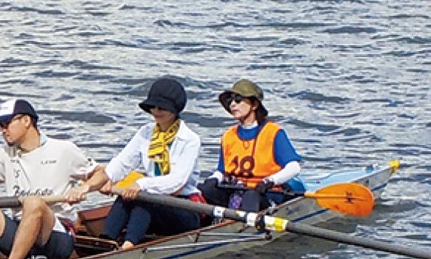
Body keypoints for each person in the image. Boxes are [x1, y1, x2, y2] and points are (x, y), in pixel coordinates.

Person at [67, 77, 202, 250]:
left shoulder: (190, 140)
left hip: (184, 209)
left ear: (175, 109)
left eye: (161, 107)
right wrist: (91, 185)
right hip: (154, 203)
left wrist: (141, 184)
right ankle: (106, 241)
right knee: (127, 197)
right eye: (152, 106)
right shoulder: (145, 133)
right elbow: (120, 164)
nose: (155, 111)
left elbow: (176, 182)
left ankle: (128, 247)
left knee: (143, 197)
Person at [0, 98, 95, 259]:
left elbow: (100, 174)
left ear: (26, 121)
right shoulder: (3, 154)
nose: (3, 131)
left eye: (7, 124)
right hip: (19, 230)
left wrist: (84, 188)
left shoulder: (63, 149)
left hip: (55, 235)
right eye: (0, 126)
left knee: (33, 203)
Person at [198, 79, 304, 212]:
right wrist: (213, 179)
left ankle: (243, 224)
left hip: (265, 193)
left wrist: (270, 181)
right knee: (202, 190)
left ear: (254, 105)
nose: (232, 104)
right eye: (230, 100)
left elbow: (294, 167)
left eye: (238, 99)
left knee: (250, 196)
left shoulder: (273, 132)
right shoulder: (228, 136)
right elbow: (222, 171)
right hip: (236, 190)